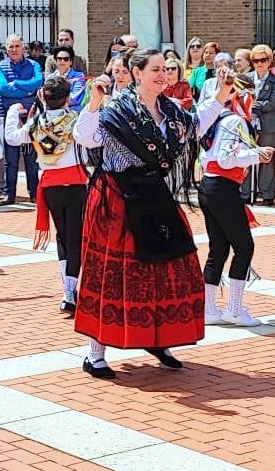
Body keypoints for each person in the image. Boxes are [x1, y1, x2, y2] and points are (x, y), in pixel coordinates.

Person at [72, 49, 204, 377]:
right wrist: (93, 102)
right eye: (155, 69)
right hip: (116, 197)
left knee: (168, 267)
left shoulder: (172, 111)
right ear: (136, 72)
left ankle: (158, 338)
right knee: (111, 275)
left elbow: (198, 128)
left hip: (154, 194)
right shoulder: (116, 108)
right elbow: (85, 137)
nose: (163, 74)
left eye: (167, 69)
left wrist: (221, 98)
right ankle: (95, 354)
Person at [197, 68, 275, 325]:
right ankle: (234, 308)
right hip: (222, 188)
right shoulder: (234, 121)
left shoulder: (217, 120)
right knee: (243, 246)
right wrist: (258, 154)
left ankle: (210, 309)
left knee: (218, 248)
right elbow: (225, 158)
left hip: (210, 187)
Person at [16, 75, 88, 312]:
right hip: (75, 182)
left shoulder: (37, 123)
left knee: (62, 235)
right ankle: (71, 289)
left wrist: (10, 116)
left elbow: (12, 137)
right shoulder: (75, 121)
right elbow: (88, 148)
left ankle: (67, 290)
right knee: (75, 237)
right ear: (67, 98)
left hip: (50, 186)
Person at [0, 34, 44, 204]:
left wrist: (16, 83)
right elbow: (2, 88)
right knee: (11, 159)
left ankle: (34, 193)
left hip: (31, 115)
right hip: (9, 118)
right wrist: (27, 89)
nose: (14, 50)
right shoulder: (0, 67)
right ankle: (10, 194)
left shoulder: (34, 64)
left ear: (23, 48)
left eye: (17, 46)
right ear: (6, 49)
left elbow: (37, 82)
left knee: (31, 159)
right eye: (11, 47)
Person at [247, 45, 275, 205]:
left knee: (266, 158)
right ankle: (246, 191)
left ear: (269, 61)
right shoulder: (247, 77)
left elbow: (271, 103)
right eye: (256, 60)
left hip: (268, 125)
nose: (259, 64)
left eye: (263, 60)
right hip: (249, 124)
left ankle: (267, 193)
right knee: (247, 157)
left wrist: (252, 104)